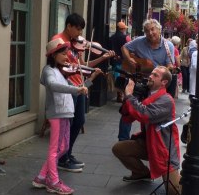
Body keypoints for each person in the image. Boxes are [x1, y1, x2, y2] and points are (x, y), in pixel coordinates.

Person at [52, 13, 116, 172]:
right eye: (78, 30)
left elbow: (82, 66)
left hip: (79, 86)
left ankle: (68, 153)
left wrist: (102, 58)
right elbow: (57, 66)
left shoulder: (77, 45)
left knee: (79, 121)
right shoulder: (58, 41)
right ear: (69, 26)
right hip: (67, 87)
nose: (80, 34)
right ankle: (62, 158)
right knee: (69, 123)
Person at [33, 38, 90, 194]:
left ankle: (41, 177)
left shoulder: (61, 71)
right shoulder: (48, 71)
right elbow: (52, 85)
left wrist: (90, 80)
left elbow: (76, 88)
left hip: (65, 112)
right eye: (64, 54)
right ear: (53, 54)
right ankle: (54, 181)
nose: (67, 57)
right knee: (54, 149)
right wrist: (76, 90)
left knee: (63, 147)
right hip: (56, 113)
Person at [112, 66, 181, 195]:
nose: (150, 76)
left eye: (155, 75)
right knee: (119, 148)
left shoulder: (166, 100)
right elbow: (128, 118)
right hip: (148, 143)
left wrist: (129, 96)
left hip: (163, 149)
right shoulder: (146, 94)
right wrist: (130, 97)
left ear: (164, 82)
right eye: (151, 73)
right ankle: (141, 172)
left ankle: (186, 180)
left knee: (174, 190)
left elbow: (145, 114)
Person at [118, 19, 175, 141]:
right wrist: (129, 60)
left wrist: (166, 70)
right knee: (128, 110)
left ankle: (146, 139)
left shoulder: (168, 46)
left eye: (153, 29)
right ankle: (123, 140)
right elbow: (124, 48)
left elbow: (170, 66)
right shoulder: (140, 41)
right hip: (139, 80)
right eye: (147, 31)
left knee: (149, 113)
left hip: (155, 85)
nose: (150, 33)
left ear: (159, 30)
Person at [110, 21, 130, 102]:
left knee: (117, 76)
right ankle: (122, 94)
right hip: (123, 60)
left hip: (114, 60)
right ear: (123, 29)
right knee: (123, 77)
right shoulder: (126, 37)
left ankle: (119, 94)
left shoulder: (112, 37)